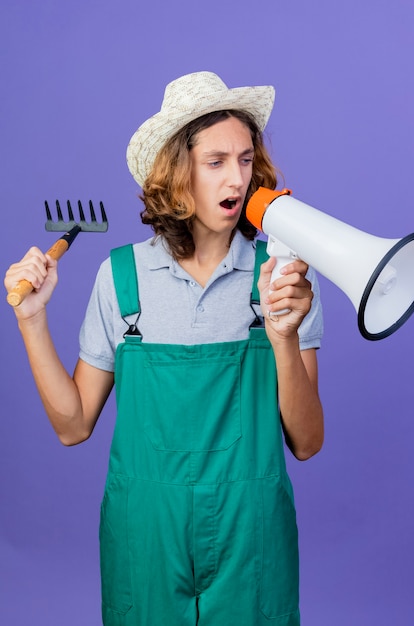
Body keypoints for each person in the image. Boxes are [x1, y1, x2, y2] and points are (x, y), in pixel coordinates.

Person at [4, 71, 324, 625]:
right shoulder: (121, 278)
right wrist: (32, 321)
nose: (238, 177)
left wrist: (284, 336)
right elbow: (72, 425)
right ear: (179, 172)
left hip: (251, 538)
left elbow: (308, 441)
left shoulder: (282, 278)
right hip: (146, 539)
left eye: (246, 159)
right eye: (216, 161)